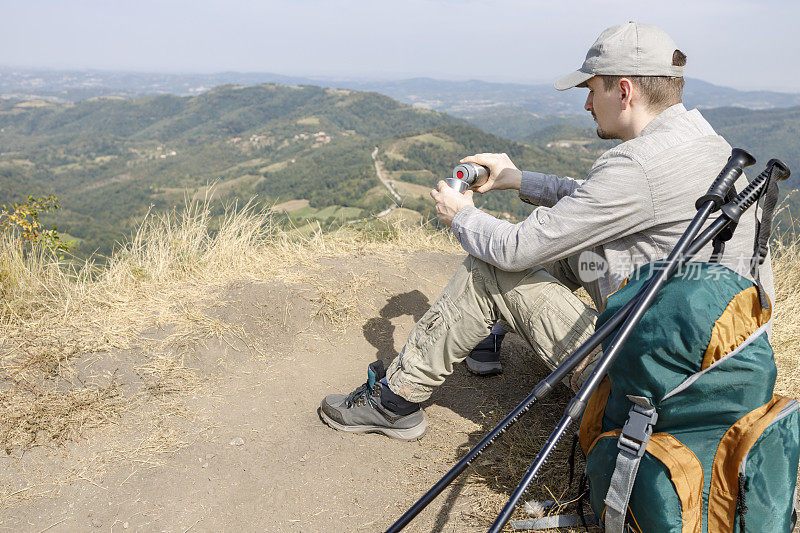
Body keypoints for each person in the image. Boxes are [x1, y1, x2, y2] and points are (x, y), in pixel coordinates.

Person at [318, 21, 774, 440]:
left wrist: (462, 215)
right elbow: (600, 203)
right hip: (708, 373)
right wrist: (520, 179)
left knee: (490, 267)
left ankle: (394, 401)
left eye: (593, 90)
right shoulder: (705, 144)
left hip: (643, 392)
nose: (587, 103)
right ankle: (485, 334)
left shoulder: (637, 165)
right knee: (576, 243)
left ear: (626, 90)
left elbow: (516, 250)